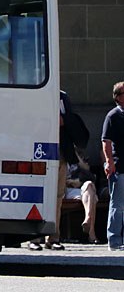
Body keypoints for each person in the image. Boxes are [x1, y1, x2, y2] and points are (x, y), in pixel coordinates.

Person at [29, 90, 87, 251]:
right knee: (36, 195)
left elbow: (70, 119)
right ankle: (34, 237)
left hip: (60, 153)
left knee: (57, 197)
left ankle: (53, 237)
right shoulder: (35, 92)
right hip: (38, 152)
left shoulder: (62, 96)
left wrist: (64, 121)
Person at [102, 81, 124, 250]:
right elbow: (106, 141)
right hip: (119, 166)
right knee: (117, 204)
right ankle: (114, 240)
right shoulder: (113, 116)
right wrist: (109, 162)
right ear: (118, 97)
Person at [65, 150, 100, 244]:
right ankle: (92, 234)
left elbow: (87, 170)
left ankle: (87, 218)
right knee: (92, 198)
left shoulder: (79, 158)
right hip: (64, 188)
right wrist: (70, 182)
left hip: (78, 187)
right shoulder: (60, 157)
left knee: (90, 185)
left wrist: (75, 153)